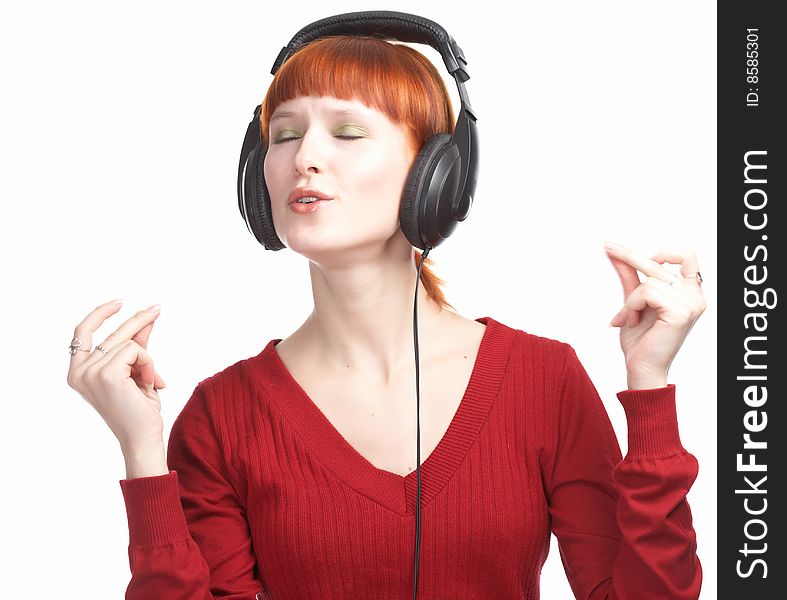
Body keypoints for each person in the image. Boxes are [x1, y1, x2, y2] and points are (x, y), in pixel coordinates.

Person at [66, 34, 705, 599]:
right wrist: (143, 450)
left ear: (436, 177)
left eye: (347, 132)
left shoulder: (544, 379)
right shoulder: (222, 414)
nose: (304, 156)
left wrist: (650, 385)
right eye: (284, 134)